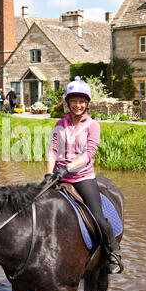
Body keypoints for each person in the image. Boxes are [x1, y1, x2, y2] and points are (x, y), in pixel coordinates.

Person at [43, 77, 123, 274]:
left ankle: (114, 253)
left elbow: (88, 155)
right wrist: (48, 174)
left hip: (82, 178)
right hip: (58, 177)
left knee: (97, 216)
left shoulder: (93, 126)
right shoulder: (60, 124)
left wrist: (67, 168)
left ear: (87, 103)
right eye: (74, 101)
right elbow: (52, 151)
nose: (77, 105)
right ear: (68, 103)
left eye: (81, 101)